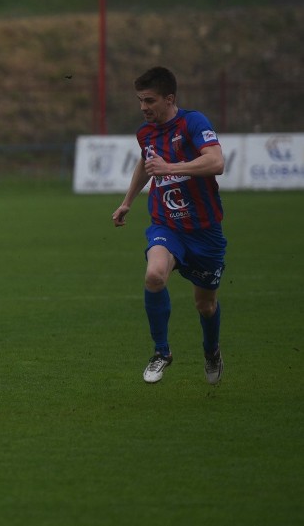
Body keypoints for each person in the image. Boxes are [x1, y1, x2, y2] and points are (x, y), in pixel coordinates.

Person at [112, 66, 226, 385]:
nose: (144, 107)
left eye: (149, 100)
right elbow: (146, 164)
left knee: (205, 305)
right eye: (140, 100)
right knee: (154, 275)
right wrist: (128, 201)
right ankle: (162, 351)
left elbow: (217, 162)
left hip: (204, 231)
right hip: (166, 225)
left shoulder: (193, 122)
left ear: (169, 98)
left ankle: (211, 350)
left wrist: (170, 167)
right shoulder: (145, 133)